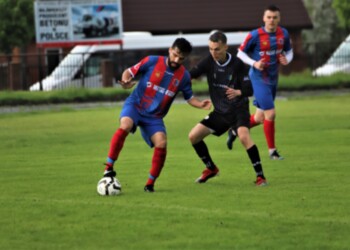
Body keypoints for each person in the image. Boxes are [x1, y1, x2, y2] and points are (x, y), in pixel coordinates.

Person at [102, 38, 212, 192]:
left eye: (181, 58)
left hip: (154, 117)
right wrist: (126, 80)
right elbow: (129, 71)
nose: (176, 60)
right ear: (170, 50)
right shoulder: (151, 61)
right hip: (135, 105)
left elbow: (189, 98)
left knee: (162, 143)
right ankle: (108, 168)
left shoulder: (184, 76)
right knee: (125, 125)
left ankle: (150, 184)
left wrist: (200, 104)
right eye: (175, 55)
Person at [188, 31, 267, 186]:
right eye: (210, 48)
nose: (213, 52)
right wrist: (183, 80)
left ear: (225, 47)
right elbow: (192, 73)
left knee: (244, 136)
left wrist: (239, 92)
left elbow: (250, 89)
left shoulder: (237, 64)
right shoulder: (209, 61)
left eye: (216, 49)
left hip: (238, 110)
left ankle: (260, 177)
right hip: (220, 112)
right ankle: (211, 169)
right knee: (193, 136)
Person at [227, 4, 293, 160]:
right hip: (258, 79)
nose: (271, 20)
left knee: (259, 118)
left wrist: (286, 59)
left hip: (273, 79)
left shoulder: (283, 33)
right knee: (271, 113)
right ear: (264, 18)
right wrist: (255, 63)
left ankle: (235, 130)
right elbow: (240, 53)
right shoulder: (255, 35)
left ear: (279, 18)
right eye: (269, 17)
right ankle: (272, 152)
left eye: (275, 17)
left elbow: (289, 52)